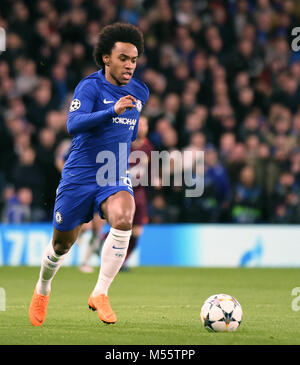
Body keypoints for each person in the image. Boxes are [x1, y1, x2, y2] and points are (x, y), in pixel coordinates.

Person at [29, 23, 149, 326]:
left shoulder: (140, 91)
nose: (129, 65)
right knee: (61, 246)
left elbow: (131, 132)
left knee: (124, 216)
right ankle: (43, 287)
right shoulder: (90, 86)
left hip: (113, 171)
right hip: (79, 175)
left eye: (133, 59)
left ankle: (100, 292)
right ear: (106, 58)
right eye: (123, 58)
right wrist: (112, 112)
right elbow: (73, 124)